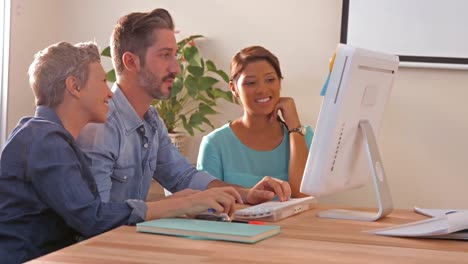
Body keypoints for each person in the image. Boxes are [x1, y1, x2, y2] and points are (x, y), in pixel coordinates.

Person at [0, 42, 241, 264]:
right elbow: (92, 218)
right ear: (74, 86)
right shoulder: (46, 140)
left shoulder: (44, 136)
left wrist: (176, 202)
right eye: (102, 81)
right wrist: (180, 204)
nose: (110, 93)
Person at [77, 8, 291, 208]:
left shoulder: (151, 120)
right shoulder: (101, 127)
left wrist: (246, 194)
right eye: (164, 55)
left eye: (175, 55)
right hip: (101, 247)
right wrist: (174, 206)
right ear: (131, 62)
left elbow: (183, 176)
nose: (176, 68)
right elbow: (97, 217)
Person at [197, 46, 314, 198]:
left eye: (270, 80)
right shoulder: (215, 144)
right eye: (251, 83)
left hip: (293, 223)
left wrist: (294, 127)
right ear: (233, 88)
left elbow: (303, 196)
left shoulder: (303, 136)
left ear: (279, 82)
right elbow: (206, 206)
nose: (262, 89)